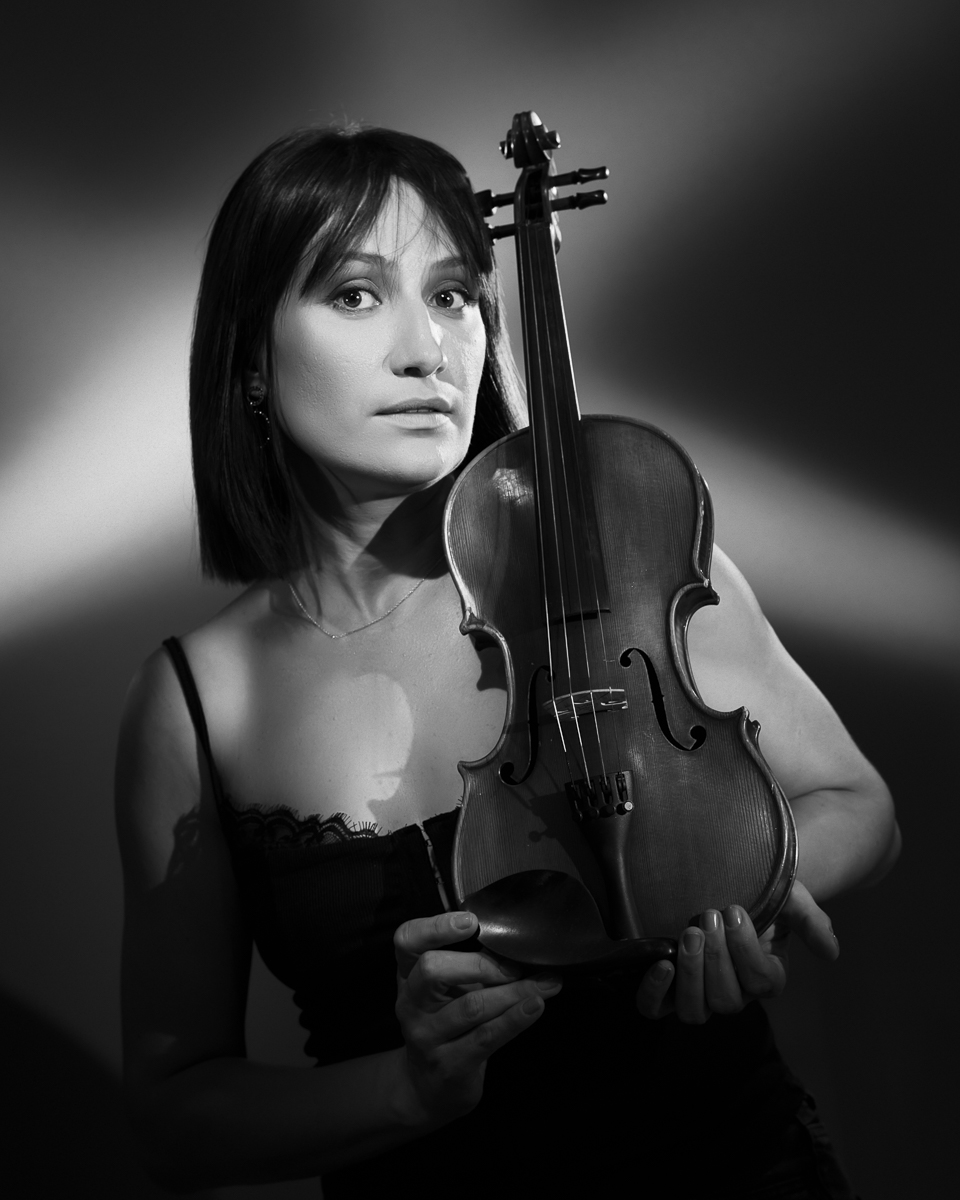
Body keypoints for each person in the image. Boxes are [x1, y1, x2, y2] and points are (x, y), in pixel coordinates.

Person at [115, 125, 900, 1198]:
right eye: (356, 295)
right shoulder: (197, 700)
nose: (427, 349)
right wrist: (410, 1090)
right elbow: (173, 1117)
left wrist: (748, 898)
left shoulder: (621, 550)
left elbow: (857, 802)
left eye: (451, 296)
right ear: (251, 357)